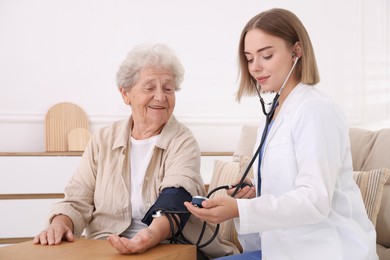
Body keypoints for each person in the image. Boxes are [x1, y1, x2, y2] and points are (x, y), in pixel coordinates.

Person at [185, 8, 378, 260]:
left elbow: (314, 199)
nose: (255, 67)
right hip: (283, 250)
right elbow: (291, 178)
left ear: (296, 52)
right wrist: (255, 189)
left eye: (266, 55)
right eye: (249, 58)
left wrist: (242, 210)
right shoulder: (276, 112)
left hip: (326, 250)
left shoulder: (315, 110)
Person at [34, 44, 238, 258]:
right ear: (125, 94)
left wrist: (148, 236)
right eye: (150, 88)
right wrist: (59, 224)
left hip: (169, 244)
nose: (160, 97)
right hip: (107, 246)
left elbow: (175, 199)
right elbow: (77, 199)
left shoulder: (182, 140)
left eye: (168, 89)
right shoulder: (102, 140)